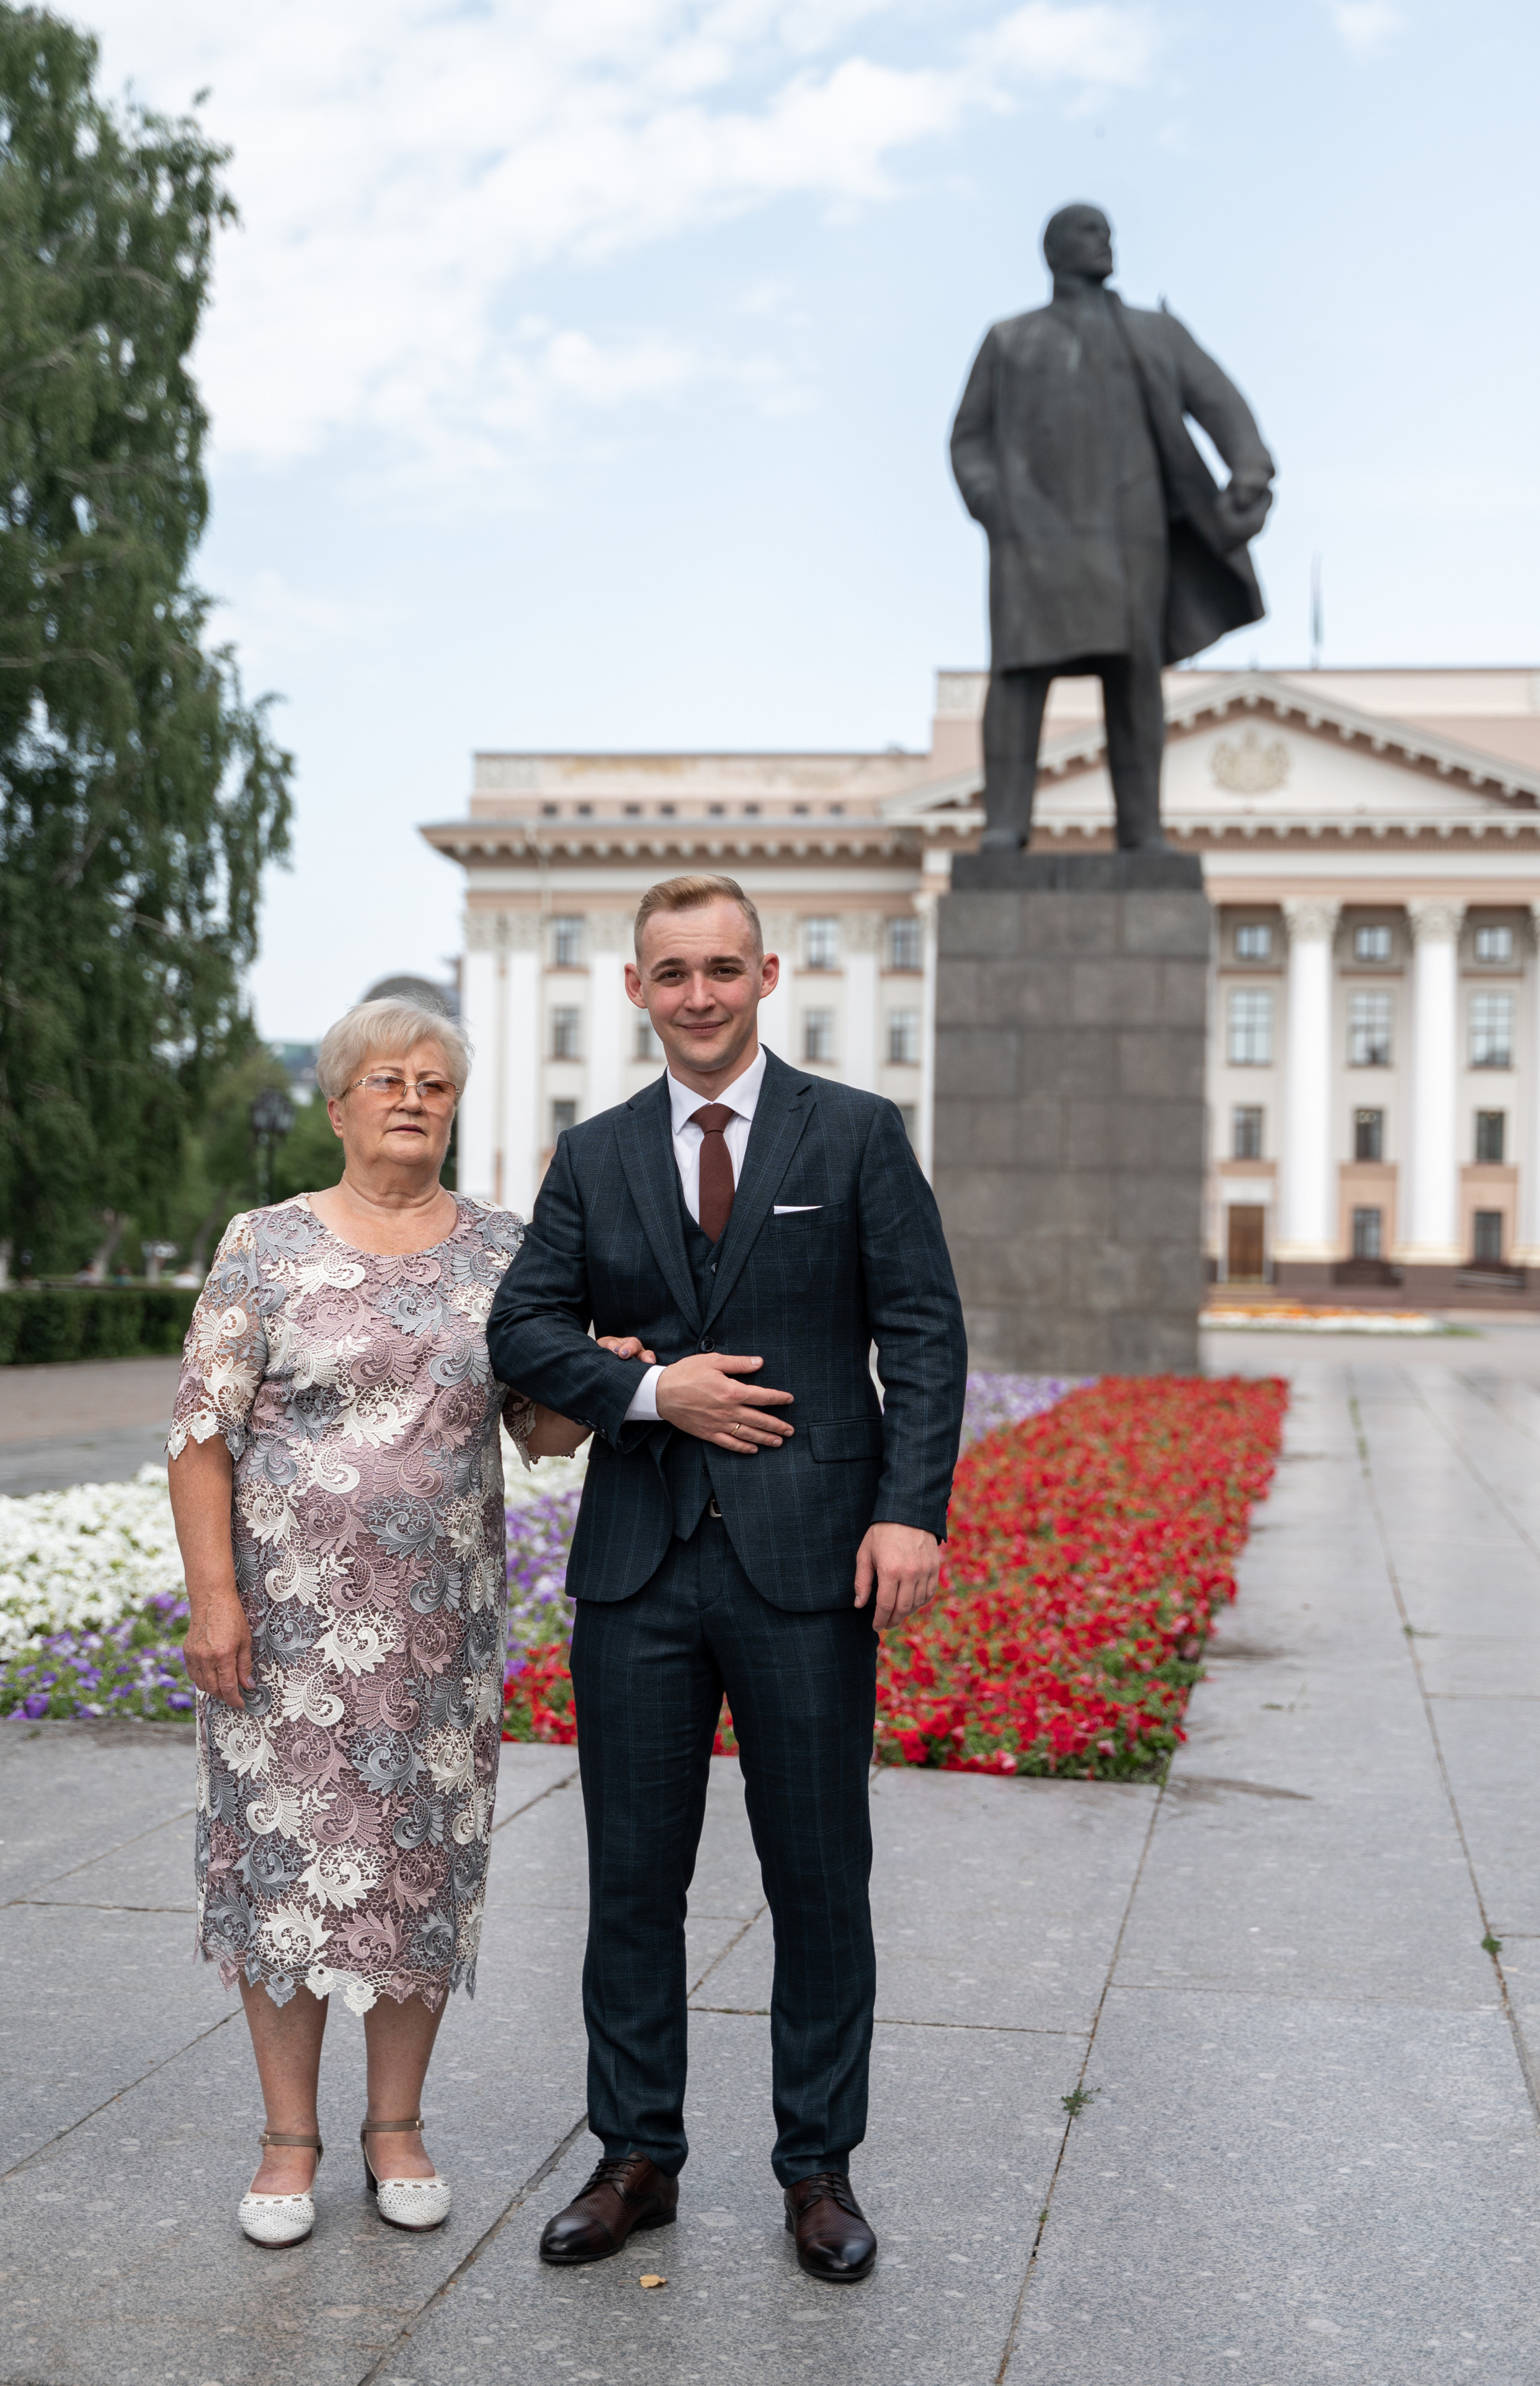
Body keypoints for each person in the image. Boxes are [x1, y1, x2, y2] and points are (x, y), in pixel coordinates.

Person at [486, 873, 967, 2284]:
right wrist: (649, 1395)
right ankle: (634, 2153)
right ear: (634, 990)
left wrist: (908, 1514)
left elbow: (922, 1336)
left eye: (719, 967)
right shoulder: (595, 1151)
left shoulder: (857, 1133)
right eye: (669, 973)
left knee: (818, 1876)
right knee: (632, 1880)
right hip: (637, 1570)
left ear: (765, 973)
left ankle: (816, 2168)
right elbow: (522, 1326)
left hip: (811, 1566)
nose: (696, 993)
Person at [168, 997, 632, 2250]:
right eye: (384, 1078)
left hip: (434, 1628)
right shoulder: (263, 1244)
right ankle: (285, 2140)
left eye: (433, 1080)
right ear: (336, 1105)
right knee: (282, 1872)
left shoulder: (502, 1247)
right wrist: (214, 1602)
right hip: (280, 1626)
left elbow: (535, 1427)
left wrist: (604, 1376)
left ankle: (395, 2128)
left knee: (417, 1862)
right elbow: (200, 1431)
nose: (412, 1096)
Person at [950, 200, 1276, 851]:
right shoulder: (1010, 339)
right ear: (1054, 252)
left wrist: (1249, 467)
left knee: (1134, 680)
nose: (1105, 242)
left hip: (1133, 533)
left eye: (1107, 232)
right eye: (1088, 232)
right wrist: (997, 507)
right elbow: (968, 439)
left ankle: (1141, 830)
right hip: (1033, 537)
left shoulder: (1152, 332)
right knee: (1018, 677)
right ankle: (1005, 825)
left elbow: (1219, 399)